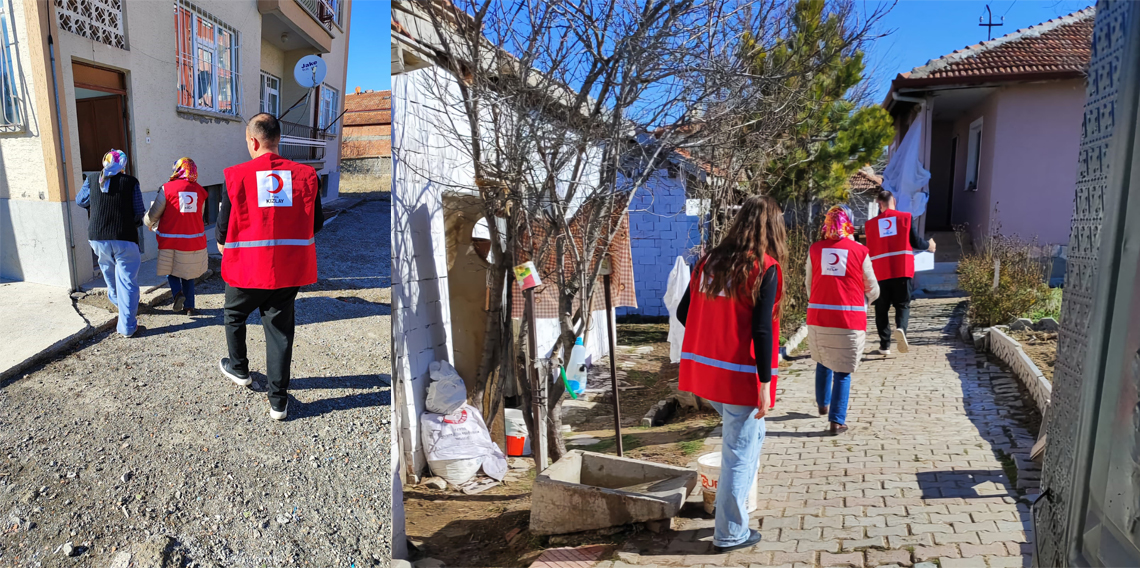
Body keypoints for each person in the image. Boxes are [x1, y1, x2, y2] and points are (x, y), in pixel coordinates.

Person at [675, 195, 786, 553]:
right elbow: (762, 331)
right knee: (738, 454)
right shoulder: (764, 267)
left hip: (707, 376)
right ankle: (731, 532)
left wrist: (714, 335)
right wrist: (766, 384)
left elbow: (683, 312)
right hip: (740, 379)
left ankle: (732, 510)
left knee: (748, 440)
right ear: (772, 228)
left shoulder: (708, 262)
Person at [216, 113, 324, 421]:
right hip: (288, 269)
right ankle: (279, 403)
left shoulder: (236, 175)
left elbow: (223, 227)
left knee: (234, 314)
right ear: (278, 140)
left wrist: (223, 243)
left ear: (252, 141)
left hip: (245, 269)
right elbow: (316, 223)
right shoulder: (306, 175)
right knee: (279, 332)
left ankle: (239, 369)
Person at [806, 205, 878, 435]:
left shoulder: (814, 249)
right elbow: (872, 286)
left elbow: (809, 283)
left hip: (818, 316)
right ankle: (837, 421)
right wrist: (867, 300)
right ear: (850, 223)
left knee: (823, 359)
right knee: (843, 370)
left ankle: (822, 404)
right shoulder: (860, 251)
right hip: (849, 319)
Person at [76, 149, 145, 337]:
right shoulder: (130, 182)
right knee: (127, 281)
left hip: (97, 236)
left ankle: (117, 301)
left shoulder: (92, 179)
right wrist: (133, 222)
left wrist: (97, 204)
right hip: (124, 237)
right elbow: (139, 211)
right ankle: (127, 327)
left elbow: (80, 201)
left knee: (108, 270)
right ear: (123, 164)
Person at [864, 189, 935, 355]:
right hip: (902, 270)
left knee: (881, 308)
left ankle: (884, 345)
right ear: (893, 201)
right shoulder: (905, 218)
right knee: (902, 305)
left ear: (879, 204)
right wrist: (929, 245)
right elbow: (916, 242)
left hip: (879, 273)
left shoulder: (870, 225)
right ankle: (901, 329)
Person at [143, 158, 209, 316]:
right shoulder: (200, 191)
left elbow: (153, 215)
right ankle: (189, 307)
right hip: (194, 240)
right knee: (188, 274)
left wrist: (148, 223)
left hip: (170, 239)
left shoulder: (167, 188)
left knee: (171, 271)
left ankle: (178, 294)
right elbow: (199, 216)